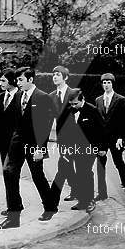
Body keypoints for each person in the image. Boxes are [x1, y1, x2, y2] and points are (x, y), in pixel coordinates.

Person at [0, 67, 57, 229]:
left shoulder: (43, 97)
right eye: (17, 80)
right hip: (17, 143)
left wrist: (41, 148)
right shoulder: (17, 96)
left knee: (37, 176)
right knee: (9, 172)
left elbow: (46, 125)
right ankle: (14, 216)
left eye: (21, 80)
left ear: (30, 80)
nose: (18, 83)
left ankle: (50, 207)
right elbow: (16, 122)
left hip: (34, 144)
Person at [52, 89, 105, 213]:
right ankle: (82, 200)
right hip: (72, 148)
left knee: (85, 173)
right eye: (71, 104)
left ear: (83, 99)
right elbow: (61, 131)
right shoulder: (67, 111)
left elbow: (102, 130)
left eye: (76, 104)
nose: (73, 106)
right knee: (75, 174)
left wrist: (102, 148)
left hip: (89, 148)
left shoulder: (92, 110)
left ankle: (89, 200)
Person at [94, 73, 125, 200]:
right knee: (100, 164)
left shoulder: (120, 99)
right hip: (102, 139)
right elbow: (98, 120)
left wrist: (122, 137)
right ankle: (102, 192)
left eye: (108, 82)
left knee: (118, 162)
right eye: (104, 83)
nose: (106, 85)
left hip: (116, 138)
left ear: (112, 84)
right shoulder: (98, 100)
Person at [49, 65, 76, 201]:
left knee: (65, 162)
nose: (54, 77)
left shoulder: (74, 94)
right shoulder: (51, 96)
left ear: (65, 77)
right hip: (61, 136)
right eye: (53, 75)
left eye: (58, 75)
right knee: (67, 163)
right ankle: (76, 189)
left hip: (75, 135)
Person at [0, 69, 21, 165]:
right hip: (3, 142)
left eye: (3, 81)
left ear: (12, 80)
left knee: (12, 171)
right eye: (0, 81)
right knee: (6, 172)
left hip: (17, 142)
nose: (0, 84)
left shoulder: (22, 97)